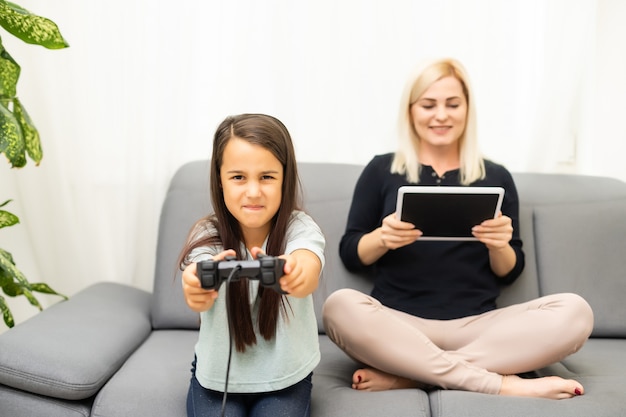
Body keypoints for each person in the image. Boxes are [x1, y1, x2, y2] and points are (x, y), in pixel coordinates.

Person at [322, 58, 594, 400]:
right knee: (338, 306)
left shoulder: (495, 176)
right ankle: (500, 383)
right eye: (428, 105)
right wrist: (381, 238)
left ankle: (412, 376)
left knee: (575, 312)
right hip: (399, 325)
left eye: (453, 104)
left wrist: (499, 246)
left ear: (467, 109)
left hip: (478, 328)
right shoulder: (381, 170)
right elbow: (350, 253)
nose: (441, 115)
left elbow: (510, 271)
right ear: (411, 110)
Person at [179, 113, 325, 417]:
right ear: (219, 180)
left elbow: (307, 264)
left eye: (267, 177)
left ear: (285, 178)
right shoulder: (206, 234)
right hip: (216, 380)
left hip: (286, 377)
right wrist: (195, 287)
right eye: (238, 177)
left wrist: (296, 272)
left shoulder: (301, 228)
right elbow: (196, 274)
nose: (254, 192)